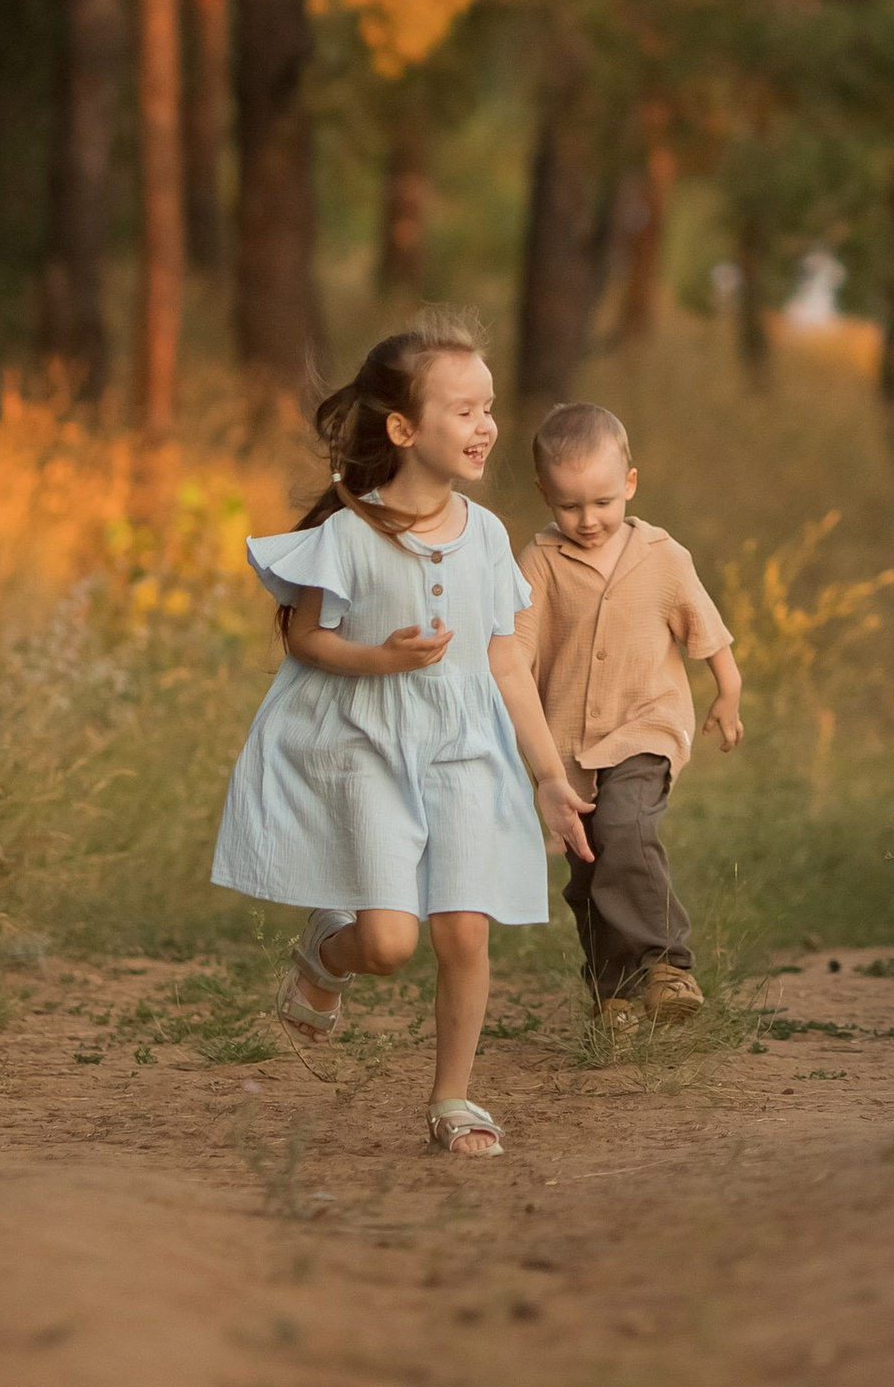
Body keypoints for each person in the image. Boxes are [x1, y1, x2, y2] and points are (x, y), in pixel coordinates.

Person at [211, 314, 594, 1159]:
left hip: (464, 749)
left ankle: (453, 1099)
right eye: (464, 409)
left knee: (465, 929)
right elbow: (306, 640)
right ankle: (325, 951)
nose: (486, 425)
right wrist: (380, 659)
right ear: (404, 428)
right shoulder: (348, 535)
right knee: (388, 942)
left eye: (489, 407)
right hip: (370, 750)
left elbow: (505, 667)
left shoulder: (489, 537)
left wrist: (546, 775)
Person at [516, 399, 743, 1028]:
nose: (588, 520)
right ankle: (613, 994)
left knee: (625, 828)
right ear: (544, 494)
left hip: (648, 725)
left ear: (630, 485)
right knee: (589, 873)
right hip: (567, 745)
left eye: (603, 503)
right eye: (569, 506)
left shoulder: (663, 556)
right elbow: (514, 656)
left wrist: (728, 690)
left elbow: (707, 629)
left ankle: (669, 965)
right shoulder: (538, 563)